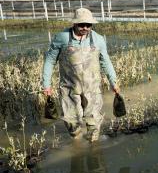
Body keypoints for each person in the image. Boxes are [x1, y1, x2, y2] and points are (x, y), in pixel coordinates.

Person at [42, 8, 120, 142]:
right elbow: (49, 60)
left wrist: (114, 82)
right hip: (69, 88)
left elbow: (106, 61)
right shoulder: (62, 38)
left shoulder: (99, 39)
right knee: (71, 121)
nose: (85, 28)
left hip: (93, 88)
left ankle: (93, 146)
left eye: (88, 25)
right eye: (81, 25)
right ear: (74, 24)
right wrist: (46, 84)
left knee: (94, 122)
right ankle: (77, 145)